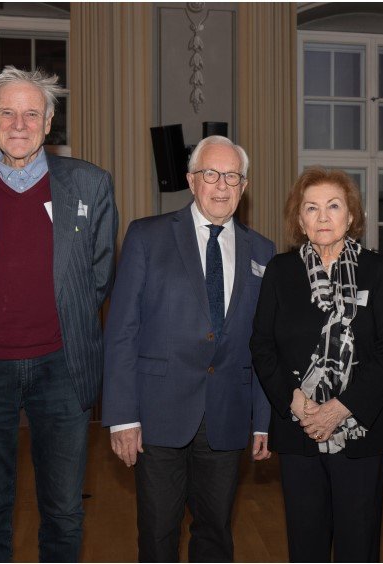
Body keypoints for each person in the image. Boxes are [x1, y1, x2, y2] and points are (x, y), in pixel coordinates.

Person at [0, 66, 118, 561]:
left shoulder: (90, 184)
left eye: (31, 112)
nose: (19, 123)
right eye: (8, 112)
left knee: (62, 512)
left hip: (61, 368)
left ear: (50, 120)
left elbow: (98, 275)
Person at [102, 135, 274, 562]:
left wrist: (263, 421)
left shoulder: (263, 252)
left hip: (228, 413)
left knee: (215, 534)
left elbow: (265, 344)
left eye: (231, 176)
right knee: (158, 533)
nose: (221, 185)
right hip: (158, 411)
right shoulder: (147, 236)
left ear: (244, 185)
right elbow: (122, 330)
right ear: (191, 180)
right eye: (210, 174)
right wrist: (122, 416)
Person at [250, 167, 383, 562]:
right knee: (306, 544)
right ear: (299, 220)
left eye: (333, 206)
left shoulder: (377, 269)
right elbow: (262, 345)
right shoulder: (280, 272)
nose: (322, 217)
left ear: (351, 216)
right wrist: (297, 403)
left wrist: (339, 408)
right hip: (298, 429)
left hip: (359, 432)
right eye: (311, 208)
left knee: (359, 543)